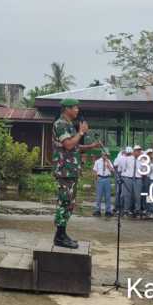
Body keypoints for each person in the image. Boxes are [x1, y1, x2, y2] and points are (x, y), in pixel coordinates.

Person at [51, 98, 101, 248]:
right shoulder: (60, 124)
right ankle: (59, 236)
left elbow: (75, 146)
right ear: (67, 109)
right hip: (64, 170)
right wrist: (81, 132)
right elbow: (68, 145)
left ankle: (62, 233)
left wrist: (91, 146)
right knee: (64, 202)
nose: (77, 110)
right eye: (75, 107)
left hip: (71, 170)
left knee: (70, 204)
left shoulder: (69, 125)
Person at [92, 151, 114, 217]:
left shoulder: (109, 161)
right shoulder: (97, 161)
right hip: (100, 178)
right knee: (99, 196)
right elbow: (95, 171)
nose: (106, 156)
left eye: (107, 155)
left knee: (108, 196)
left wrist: (108, 163)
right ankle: (97, 210)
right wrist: (95, 180)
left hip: (107, 178)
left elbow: (112, 170)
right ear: (102, 154)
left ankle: (108, 211)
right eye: (105, 155)